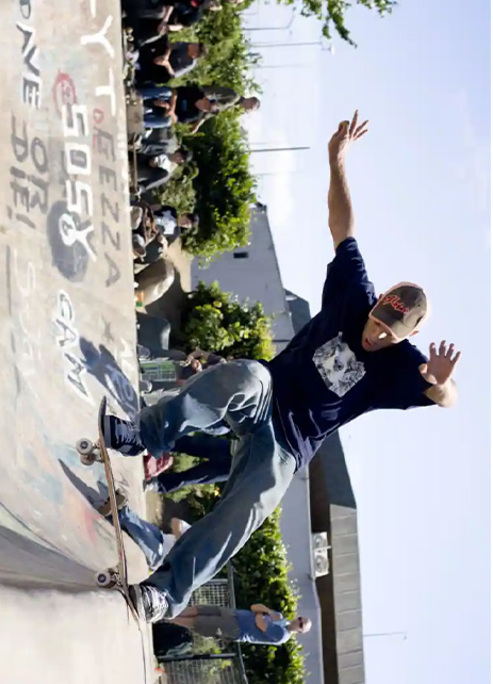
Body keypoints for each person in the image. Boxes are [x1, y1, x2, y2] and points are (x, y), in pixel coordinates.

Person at [102, 111, 461, 622]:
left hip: (289, 447)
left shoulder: (406, 367)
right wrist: (337, 162)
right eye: (379, 318)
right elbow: (342, 227)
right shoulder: (354, 292)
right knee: (243, 374)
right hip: (267, 393)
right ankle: (146, 435)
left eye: (389, 333)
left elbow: (448, 400)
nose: (376, 333)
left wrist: (442, 385)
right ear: (379, 300)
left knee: (244, 512)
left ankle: (164, 593)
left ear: (410, 338)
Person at [98, 491, 190, 572]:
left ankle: (121, 510)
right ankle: (117, 512)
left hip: (159, 557)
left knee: (143, 535)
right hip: (161, 537)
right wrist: (180, 539)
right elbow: (175, 521)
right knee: (138, 524)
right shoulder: (195, 536)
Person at [170, 603, 312, 645]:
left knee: (199, 622)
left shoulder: (282, 635)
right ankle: (169, 612)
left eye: (301, 625)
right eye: (300, 619)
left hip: (236, 629)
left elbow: (260, 623)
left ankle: (167, 619)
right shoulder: (280, 618)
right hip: (235, 614)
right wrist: (268, 611)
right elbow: (254, 607)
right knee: (200, 609)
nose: (298, 621)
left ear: (300, 632)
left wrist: (262, 614)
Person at [139, 84, 259, 131]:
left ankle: (139, 123)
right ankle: (138, 94)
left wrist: (198, 124)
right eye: (250, 106)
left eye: (250, 109)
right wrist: (205, 98)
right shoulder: (234, 96)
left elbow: (209, 113)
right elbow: (214, 92)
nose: (247, 109)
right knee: (167, 93)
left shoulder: (232, 105)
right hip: (196, 96)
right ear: (250, 100)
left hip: (197, 108)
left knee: (168, 120)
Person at [144, 433, 232, 494]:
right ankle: (155, 442)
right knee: (194, 444)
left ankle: (158, 484)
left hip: (236, 468)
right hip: (235, 448)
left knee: (196, 476)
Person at [136, 39, 207, 85]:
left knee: (164, 78)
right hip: (165, 55)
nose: (193, 44)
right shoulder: (186, 45)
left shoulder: (190, 64)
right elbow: (171, 46)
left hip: (166, 68)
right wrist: (166, 56)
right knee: (163, 41)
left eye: (195, 46)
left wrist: (166, 64)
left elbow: (174, 74)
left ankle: (140, 75)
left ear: (195, 54)